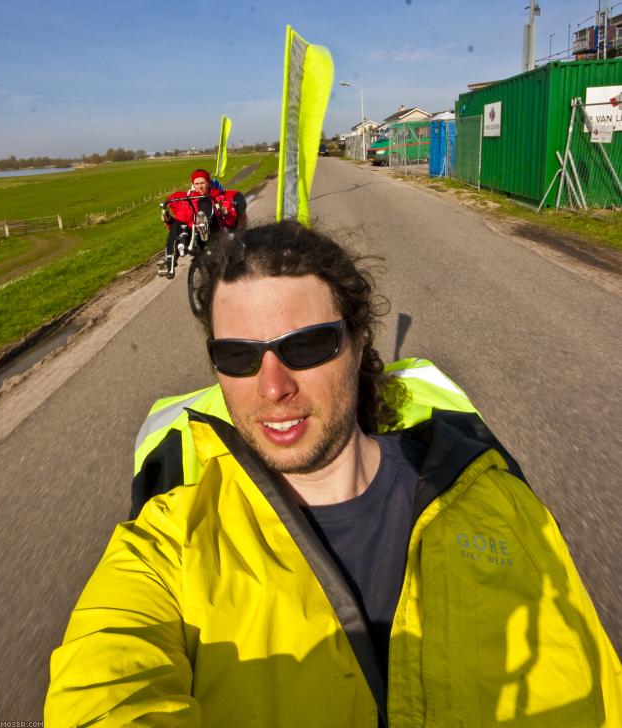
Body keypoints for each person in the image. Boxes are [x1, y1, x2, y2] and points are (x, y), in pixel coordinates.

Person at [46, 221, 622, 727]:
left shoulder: (491, 496)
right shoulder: (168, 543)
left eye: (307, 346)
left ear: (358, 343)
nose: (272, 388)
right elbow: (104, 683)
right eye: (239, 357)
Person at [157, 167, 246, 279]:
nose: (199, 186)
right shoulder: (188, 200)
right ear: (193, 185)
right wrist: (169, 219)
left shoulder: (219, 197)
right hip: (193, 233)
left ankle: (203, 224)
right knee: (178, 224)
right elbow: (178, 222)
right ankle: (170, 262)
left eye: (202, 183)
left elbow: (230, 221)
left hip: (214, 233)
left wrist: (224, 211)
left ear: (208, 183)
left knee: (204, 200)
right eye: (197, 183)